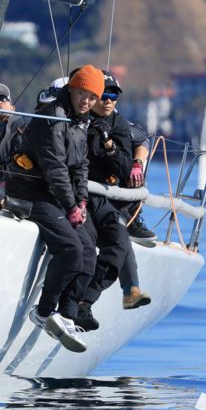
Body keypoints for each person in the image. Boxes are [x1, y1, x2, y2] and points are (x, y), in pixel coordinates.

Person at [5, 64, 107, 353]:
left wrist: (82, 201)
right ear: (71, 89)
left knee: (89, 251)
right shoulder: (53, 117)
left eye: (93, 97)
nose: (87, 101)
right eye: (83, 93)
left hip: (58, 196)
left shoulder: (80, 122)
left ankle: (67, 315)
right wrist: (71, 205)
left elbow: (81, 166)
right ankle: (44, 311)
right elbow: (55, 167)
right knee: (71, 249)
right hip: (30, 190)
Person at [76, 70, 152, 324]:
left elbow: (135, 150)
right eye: (103, 96)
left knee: (118, 239)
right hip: (77, 194)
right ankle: (73, 301)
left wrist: (113, 149)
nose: (108, 101)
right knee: (87, 245)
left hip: (108, 197)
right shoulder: (76, 117)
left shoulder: (119, 124)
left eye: (114, 96)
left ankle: (89, 300)